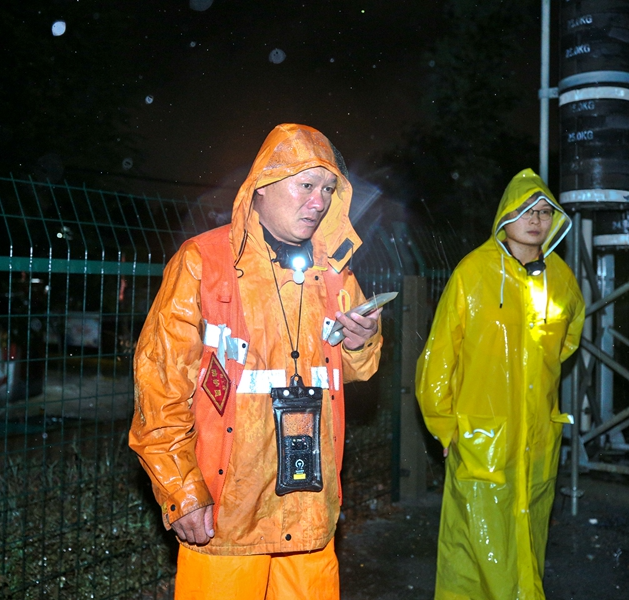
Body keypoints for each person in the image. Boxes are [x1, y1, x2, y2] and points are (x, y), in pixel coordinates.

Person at [129, 123, 383, 600]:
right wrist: (181, 492)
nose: (320, 200)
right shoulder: (203, 261)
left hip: (309, 514)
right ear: (262, 186)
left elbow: (360, 369)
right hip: (227, 520)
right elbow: (159, 386)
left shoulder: (333, 272)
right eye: (306, 185)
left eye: (328, 189)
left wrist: (362, 341)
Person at [415, 168, 585, 599]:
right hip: (481, 439)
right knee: (473, 555)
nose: (536, 219)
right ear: (505, 216)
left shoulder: (562, 278)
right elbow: (439, 356)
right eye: (525, 210)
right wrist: (446, 426)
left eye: (545, 211)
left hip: (538, 438)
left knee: (527, 544)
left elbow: (566, 342)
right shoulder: (473, 273)